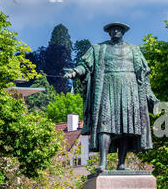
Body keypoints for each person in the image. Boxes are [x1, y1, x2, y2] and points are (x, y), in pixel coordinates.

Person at [63, 22, 159, 172]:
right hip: (107, 89)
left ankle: (121, 163)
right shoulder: (98, 49)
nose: (115, 31)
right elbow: (85, 65)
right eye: (111, 29)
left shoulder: (134, 50)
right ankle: (103, 163)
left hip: (130, 91)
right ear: (108, 33)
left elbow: (144, 74)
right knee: (104, 125)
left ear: (123, 32)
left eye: (118, 29)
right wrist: (75, 72)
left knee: (127, 128)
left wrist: (150, 95)